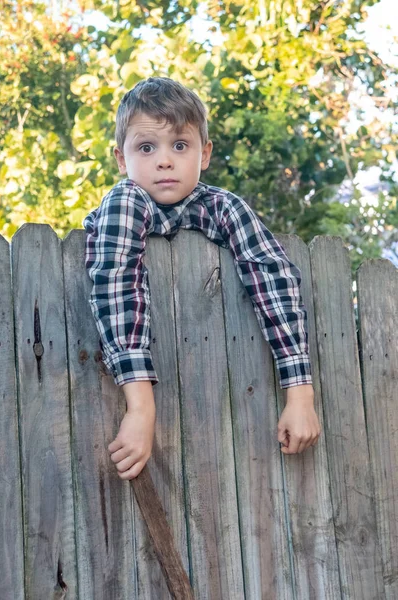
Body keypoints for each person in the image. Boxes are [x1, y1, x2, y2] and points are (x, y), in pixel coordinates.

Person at [82, 77, 321, 481]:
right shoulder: (123, 201)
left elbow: (273, 277)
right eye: (146, 147)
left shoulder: (224, 206)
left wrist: (300, 394)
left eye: (180, 145)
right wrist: (141, 408)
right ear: (121, 160)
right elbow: (117, 283)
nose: (164, 160)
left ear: (204, 153)